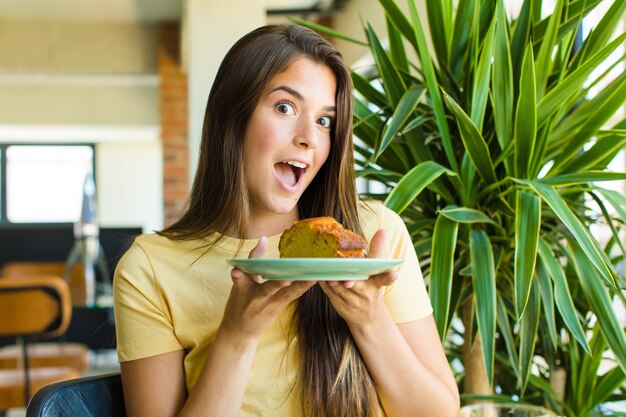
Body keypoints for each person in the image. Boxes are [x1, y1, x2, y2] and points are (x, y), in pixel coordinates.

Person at [113, 24, 459, 417]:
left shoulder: (372, 239)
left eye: (325, 120)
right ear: (233, 116)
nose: (309, 137)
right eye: (284, 107)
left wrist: (369, 318)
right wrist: (237, 336)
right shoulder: (150, 269)